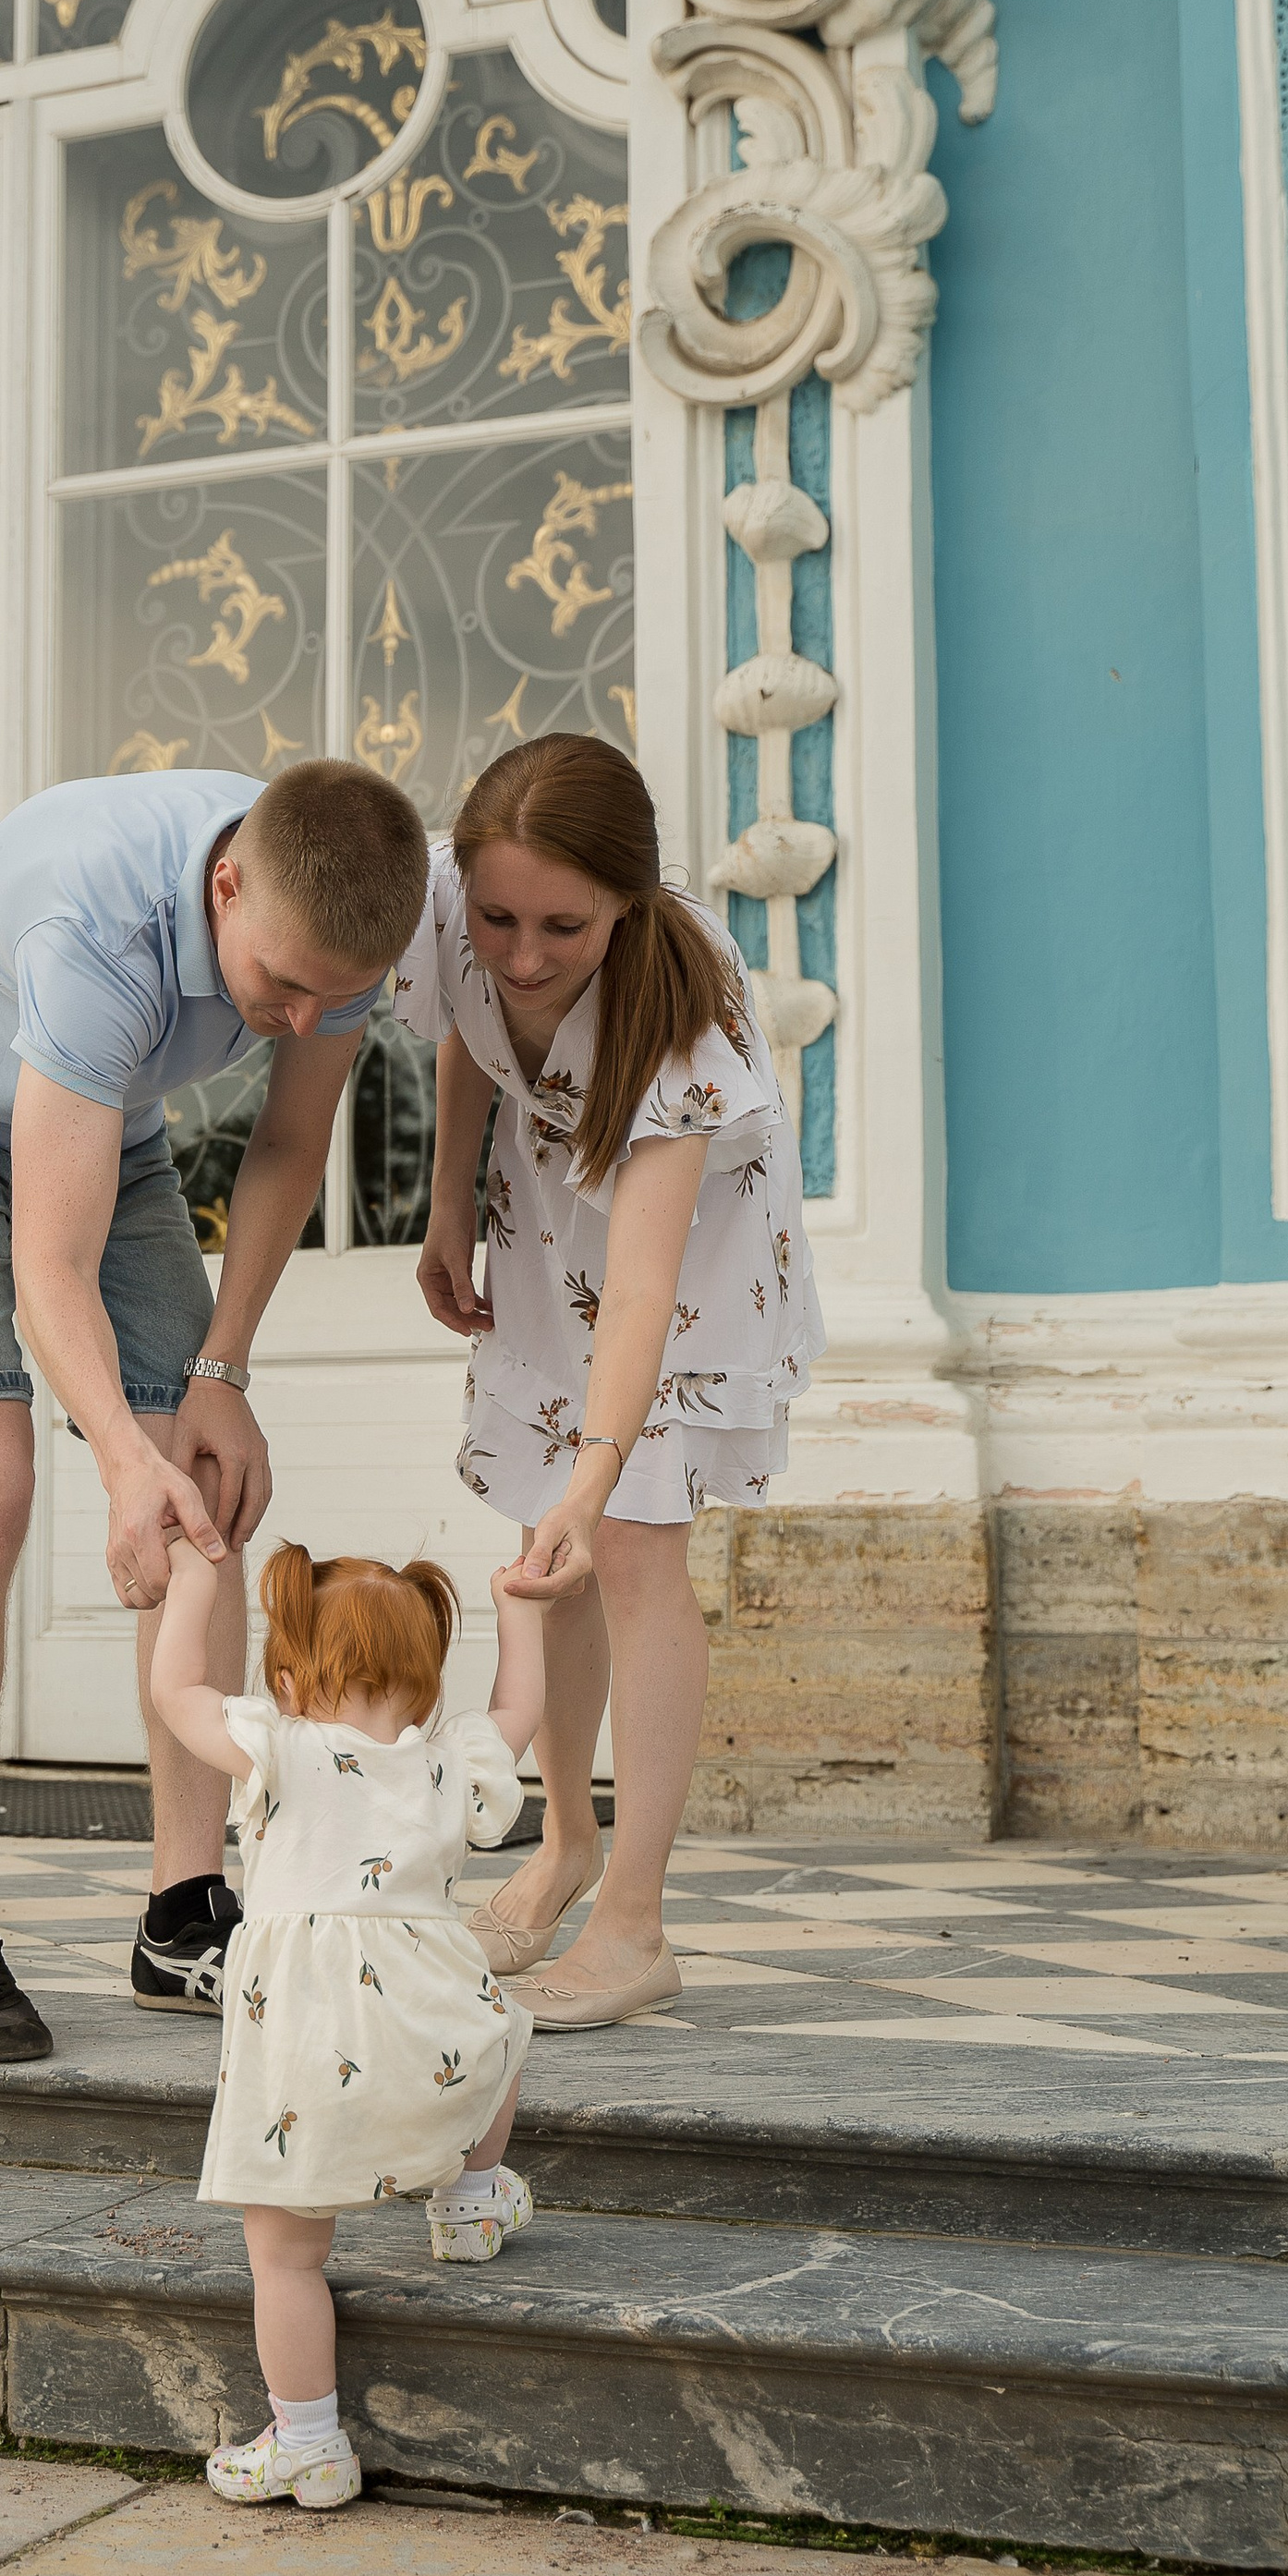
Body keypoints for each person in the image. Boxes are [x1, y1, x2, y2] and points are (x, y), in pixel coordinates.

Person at [0, 761, 429, 2065]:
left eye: (335, 998)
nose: (299, 1017)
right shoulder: (97, 926)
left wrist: (222, 1376)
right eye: (278, 986)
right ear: (226, 885)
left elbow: (284, 1151)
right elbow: (51, 1270)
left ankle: (182, 1912)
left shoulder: (338, 931)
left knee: (199, 1474)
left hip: (108, 1126)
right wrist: (119, 1460)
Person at [402, 733, 821, 2029]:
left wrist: (595, 1477)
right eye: (500, 917)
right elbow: (473, 1032)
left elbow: (643, 1291)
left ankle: (635, 1919)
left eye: (565, 928)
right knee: (554, 1541)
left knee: (629, 1544)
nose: (524, 954)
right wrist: (446, 1204)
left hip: (684, 1262)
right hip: (546, 1220)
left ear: (628, 902)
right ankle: (565, 1846)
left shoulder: (681, 1020)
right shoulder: (449, 914)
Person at [151, 1533, 544, 2512]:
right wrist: (521, 1608)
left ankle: (310, 2443)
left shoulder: (275, 1745)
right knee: (503, 2036)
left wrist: (196, 1583)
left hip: (304, 2044)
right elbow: (519, 1711)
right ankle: (469, 2199)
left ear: (285, 1675)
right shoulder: (448, 1760)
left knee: (285, 2256)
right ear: (424, 1679)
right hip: (433, 2022)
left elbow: (173, 1693)